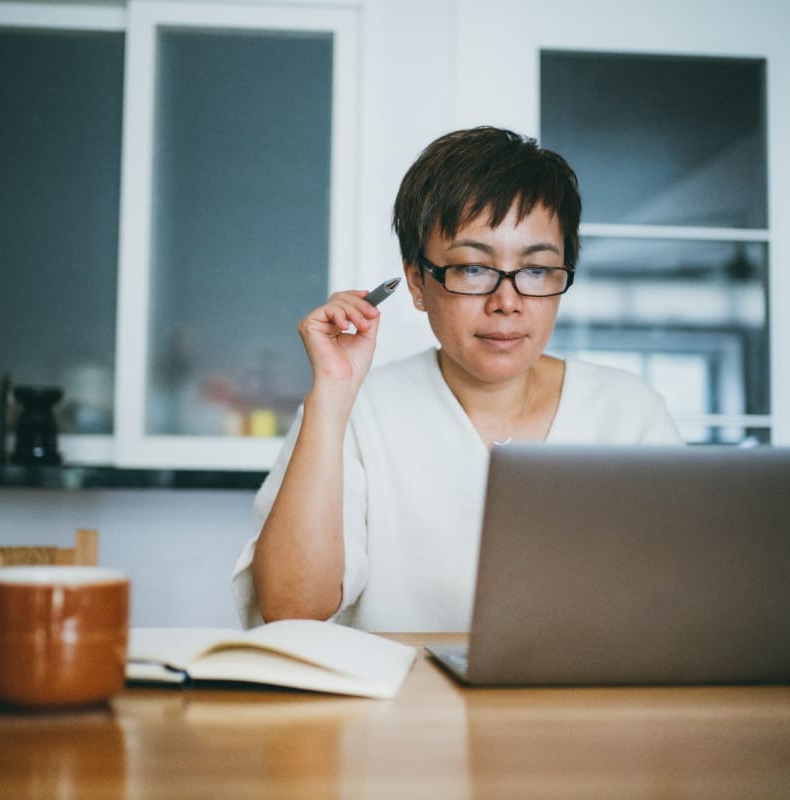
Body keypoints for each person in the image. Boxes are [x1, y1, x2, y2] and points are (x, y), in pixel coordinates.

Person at [231, 126, 683, 632]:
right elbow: (292, 609)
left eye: (536, 270)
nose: (507, 302)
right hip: (401, 709)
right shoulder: (358, 411)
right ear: (418, 282)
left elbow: (684, 603)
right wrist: (332, 396)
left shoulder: (630, 412)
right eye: (472, 268)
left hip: (590, 707)